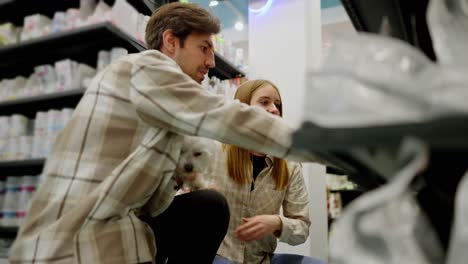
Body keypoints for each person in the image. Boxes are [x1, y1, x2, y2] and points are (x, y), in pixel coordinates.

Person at [9, 3, 319, 264]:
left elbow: (155, 204)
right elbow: (224, 116)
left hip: (118, 228)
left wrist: (180, 177)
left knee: (206, 205)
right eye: (204, 48)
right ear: (171, 42)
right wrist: (327, 144)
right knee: (210, 206)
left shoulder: (165, 112)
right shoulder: (145, 67)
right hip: (74, 240)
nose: (211, 62)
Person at [207, 80, 311, 264]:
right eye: (264, 102)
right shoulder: (213, 151)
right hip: (217, 256)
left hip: (261, 260)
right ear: (243, 109)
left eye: (277, 104)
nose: (274, 110)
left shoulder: (290, 165)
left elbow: (302, 228)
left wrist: (277, 223)